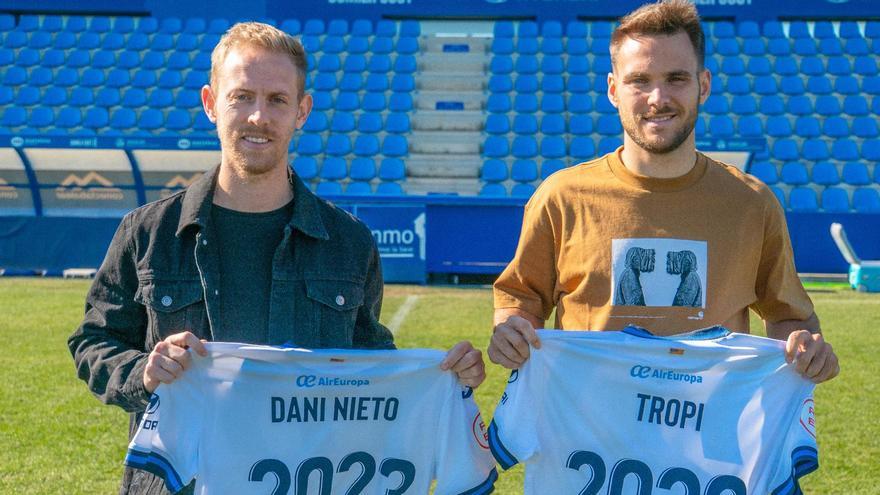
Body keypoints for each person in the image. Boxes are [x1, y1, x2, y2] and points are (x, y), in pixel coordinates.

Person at [68, 22, 485, 494]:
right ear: (210, 103)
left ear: (301, 111)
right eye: (241, 96)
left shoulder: (348, 242)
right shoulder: (148, 232)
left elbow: (368, 366)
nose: (258, 117)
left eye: (277, 100)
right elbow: (93, 340)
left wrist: (439, 378)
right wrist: (141, 372)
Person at [488, 0, 839, 384]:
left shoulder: (751, 203)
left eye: (676, 78)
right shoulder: (562, 196)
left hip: (709, 433)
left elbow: (790, 316)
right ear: (613, 90)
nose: (658, 98)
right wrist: (511, 330)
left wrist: (806, 350)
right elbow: (521, 299)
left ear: (703, 85)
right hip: (586, 431)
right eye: (639, 80)